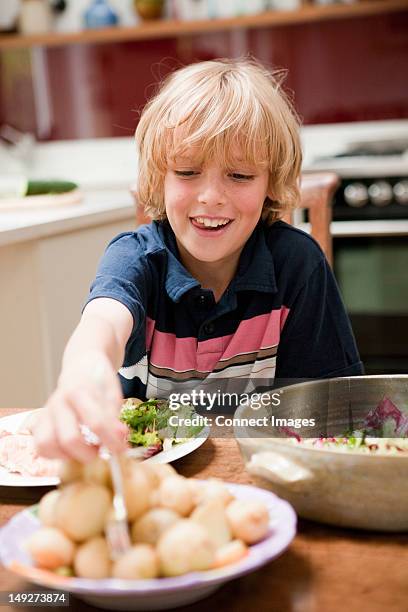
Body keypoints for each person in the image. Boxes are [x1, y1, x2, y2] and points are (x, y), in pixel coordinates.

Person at [33, 57, 363, 462]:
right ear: (159, 178)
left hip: (267, 475)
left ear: (271, 185)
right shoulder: (136, 258)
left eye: (239, 176)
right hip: (144, 482)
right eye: (188, 172)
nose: (211, 196)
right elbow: (103, 320)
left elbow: (331, 411)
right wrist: (84, 366)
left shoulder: (297, 265)